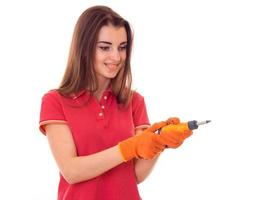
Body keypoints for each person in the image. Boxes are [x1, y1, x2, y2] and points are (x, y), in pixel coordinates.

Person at [39, 5, 192, 200]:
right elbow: (71, 171)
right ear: (84, 48)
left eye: (122, 47)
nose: (116, 57)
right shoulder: (55, 101)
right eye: (105, 47)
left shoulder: (134, 101)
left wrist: (159, 142)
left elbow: (135, 175)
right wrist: (129, 147)